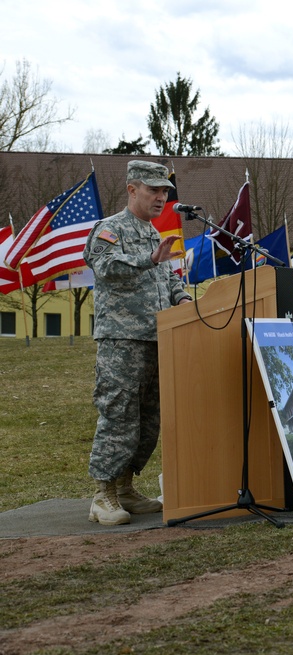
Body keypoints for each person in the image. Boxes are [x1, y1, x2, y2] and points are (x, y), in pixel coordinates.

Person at [82, 160, 192, 525]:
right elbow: (107, 267)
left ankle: (126, 488)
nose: (162, 197)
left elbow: (168, 279)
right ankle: (103, 496)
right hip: (122, 341)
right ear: (132, 189)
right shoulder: (109, 229)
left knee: (148, 420)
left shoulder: (154, 233)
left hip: (160, 338)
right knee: (119, 416)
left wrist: (184, 300)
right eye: (153, 190)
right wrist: (149, 258)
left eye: (165, 191)